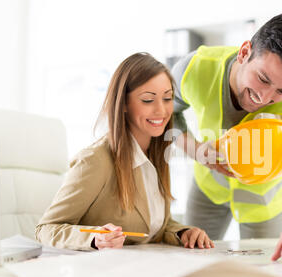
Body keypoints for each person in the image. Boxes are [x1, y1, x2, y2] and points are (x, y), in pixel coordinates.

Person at [171, 13, 282, 262]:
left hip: (265, 203)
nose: (265, 98)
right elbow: (164, 114)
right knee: (189, 264)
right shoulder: (194, 68)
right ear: (245, 51)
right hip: (207, 190)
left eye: (281, 91)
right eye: (262, 79)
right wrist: (195, 150)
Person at [35, 52, 214, 251]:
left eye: (167, 98)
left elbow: (152, 224)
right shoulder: (95, 161)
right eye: (148, 100)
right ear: (124, 104)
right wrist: (94, 238)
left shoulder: (156, 153)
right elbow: (46, 229)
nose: (161, 111)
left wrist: (182, 232)